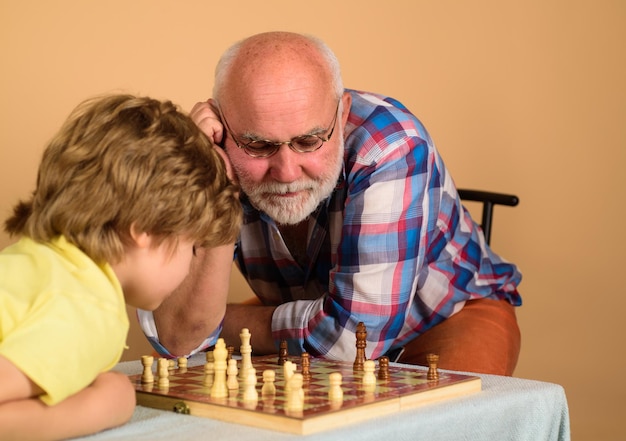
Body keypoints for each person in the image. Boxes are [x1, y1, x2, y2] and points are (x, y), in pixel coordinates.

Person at [143, 31, 523, 376]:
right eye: (257, 145)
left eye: (309, 141)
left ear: (341, 116)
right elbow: (177, 336)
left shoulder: (391, 144)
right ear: (221, 128)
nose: (287, 172)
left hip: (447, 315)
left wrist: (221, 324)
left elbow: (352, 338)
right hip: (303, 318)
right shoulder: (213, 154)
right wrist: (211, 182)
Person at [0, 94, 241, 441]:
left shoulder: (36, 261)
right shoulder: (88, 308)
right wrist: (108, 405)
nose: (190, 262)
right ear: (144, 229)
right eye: (192, 246)